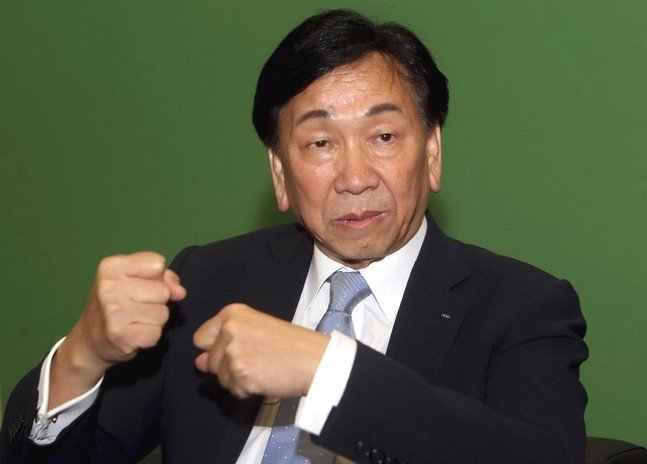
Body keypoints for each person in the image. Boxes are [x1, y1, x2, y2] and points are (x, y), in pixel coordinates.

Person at [1, 9, 588, 464]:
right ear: (280, 172)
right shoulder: (207, 281)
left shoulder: (521, 305)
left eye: (384, 137)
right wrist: (83, 355)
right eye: (320, 143)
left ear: (432, 151)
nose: (355, 177)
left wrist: (327, 370)